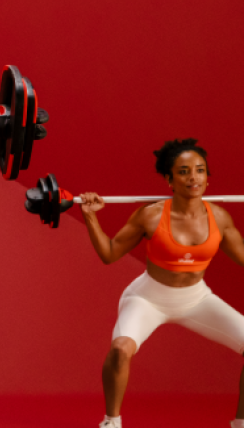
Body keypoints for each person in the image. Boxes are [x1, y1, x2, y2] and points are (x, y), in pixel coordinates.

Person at [79, 138, 244, 428]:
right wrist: (90, 217)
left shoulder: (221, 218)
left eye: (200, 170)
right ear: (169, 180)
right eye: (183, 171)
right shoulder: (151, 216)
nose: (193, 177)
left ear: (207, 177)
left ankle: (241, 423)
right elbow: (109, 254)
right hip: (148, 298)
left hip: (197, 300)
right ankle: (111, 422)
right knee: (120, 349)